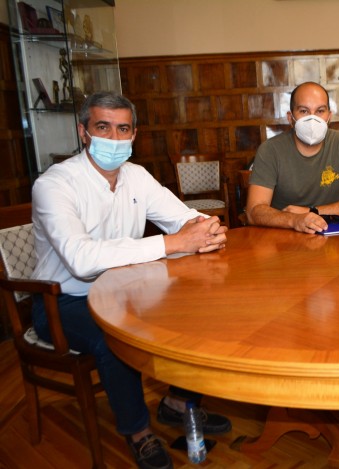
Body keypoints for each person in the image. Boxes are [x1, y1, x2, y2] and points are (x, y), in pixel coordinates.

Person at [31, 91, 232, 469]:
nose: (114, 137)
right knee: (114, 337)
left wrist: (205, 228)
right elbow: (81, 259)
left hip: (127, 290)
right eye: (102, 127)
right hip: (63, 301)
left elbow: (182, 218)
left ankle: (177, 403)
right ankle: (138, 431)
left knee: (199, 313)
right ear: (84, 132)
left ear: (134, 134)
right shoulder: (54, 185)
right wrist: (174, 242)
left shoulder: (136, 177)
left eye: (123, 128)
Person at [245, 81, 339, 232]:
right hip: (283, 233)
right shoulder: (269, 150)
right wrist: (294, 220)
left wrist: (310, 212)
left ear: (329, 117)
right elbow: (253, 212)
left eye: (320, 111)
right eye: (304, 111)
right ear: (290, 117)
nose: (312, 119)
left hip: (332, 232)